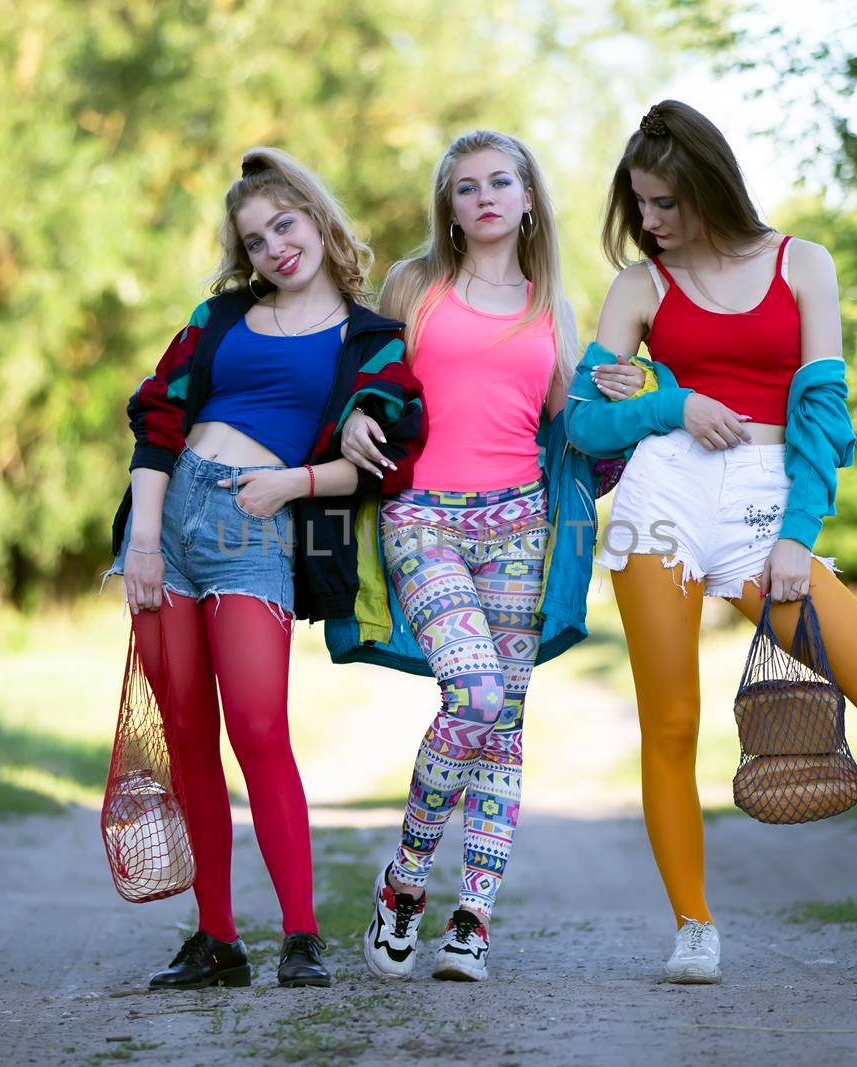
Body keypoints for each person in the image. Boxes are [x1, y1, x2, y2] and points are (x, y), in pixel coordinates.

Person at [566, 100, 857, 983]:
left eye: (666, 202)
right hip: (663, 496)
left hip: (764, 501)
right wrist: (673, 403)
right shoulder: (640, 287)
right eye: (640, 205)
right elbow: (588, 426)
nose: (651, 223)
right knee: (670, 722)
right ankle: (694, 927)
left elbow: (822, 414)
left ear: (710, 186)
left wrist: (797, 535)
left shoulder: (800, 264)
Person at [108, 147, 425, 990]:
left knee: (257, 728)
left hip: (257, 526)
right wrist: (142, 542)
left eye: (285, 223)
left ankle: (301, 936)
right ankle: (217, 939)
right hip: (165, 522)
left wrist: (293, 481)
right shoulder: (217, 320)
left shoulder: (374, 341)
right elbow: (157, 419)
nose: (275, 247)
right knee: (187, 737)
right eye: (255, 240)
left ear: (317, 218)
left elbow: (386, 459)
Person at [335, 130, 591, 983]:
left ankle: (472, 918)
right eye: (466, 186)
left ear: (526, 198)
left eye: (500, 182)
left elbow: (575, 429)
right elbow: (359, 381)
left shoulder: (552, 304)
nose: (483, 196)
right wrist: (351, 420)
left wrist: (649, 410)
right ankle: (404, 881)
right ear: (448, 205)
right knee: (475, 692)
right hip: (423, 518)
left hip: (520, 524)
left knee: (504, 726)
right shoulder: (415, 288)